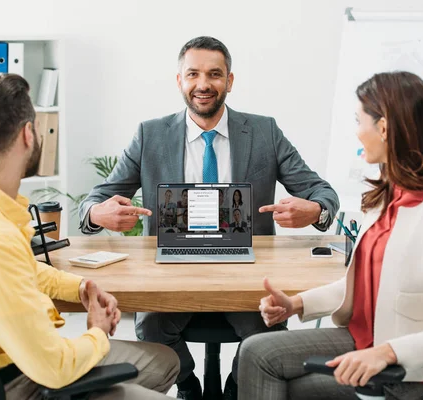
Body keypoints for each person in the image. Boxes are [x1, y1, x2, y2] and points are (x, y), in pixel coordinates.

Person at [78, 36, 340, 400]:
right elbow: (94, 200)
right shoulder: (149, 135)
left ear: (229, 81)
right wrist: (97, 212)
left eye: (215, 74)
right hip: (171, 269)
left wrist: (316, 210)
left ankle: (236, 386)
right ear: (180, 81)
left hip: (248, 271)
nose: (203, 84)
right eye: (193, 74)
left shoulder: (264, 132)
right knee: (152, 325)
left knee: (269, 331)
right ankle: (188, 384)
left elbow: (323, 193)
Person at [0, 74, 180, 400]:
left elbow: (17, 268)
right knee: (163, 365)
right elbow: (54, 368)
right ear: (28, 133)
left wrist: (80, 286)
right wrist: (97, 330)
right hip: (26, 384)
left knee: (167, 360)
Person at [237, 71, 423, 400]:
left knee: (287, 382)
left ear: (383, 128)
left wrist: (386, 353)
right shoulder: (386, 198)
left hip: (409, 371)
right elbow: (360, 286)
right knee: (256, 353)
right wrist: (296, 305)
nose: (356, 133)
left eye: (358, 121)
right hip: (364, 339)